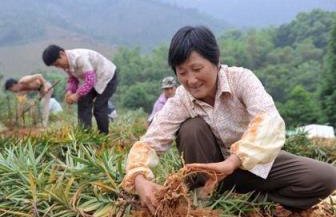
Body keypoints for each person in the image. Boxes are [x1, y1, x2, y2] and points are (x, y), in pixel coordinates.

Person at [122, 26, 336, 214]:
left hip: (251, 163)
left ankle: (252, 200)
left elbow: (268, 119)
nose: (191, 80)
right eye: (182, 72)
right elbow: (151, 141)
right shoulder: (181, 99)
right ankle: (203, 195)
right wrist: (139, 180)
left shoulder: (241, 79)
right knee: (192, 128)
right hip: (209, 174)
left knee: (327, 177)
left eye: (197, 69)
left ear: (216, 61)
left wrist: (233, 162)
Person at [42, 45, 118, 134]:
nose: (58, 67)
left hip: (106, 76)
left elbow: (90, 80)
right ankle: (85, 135)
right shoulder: (66, 65)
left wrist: (77, 95)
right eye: (55, 66)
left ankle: (103, 136)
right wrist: (70, 91)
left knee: (99, 107)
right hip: (92, 78)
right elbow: (73, 79)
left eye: (57, 64)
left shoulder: (80, 58)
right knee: (83, 103)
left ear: (62, 54)